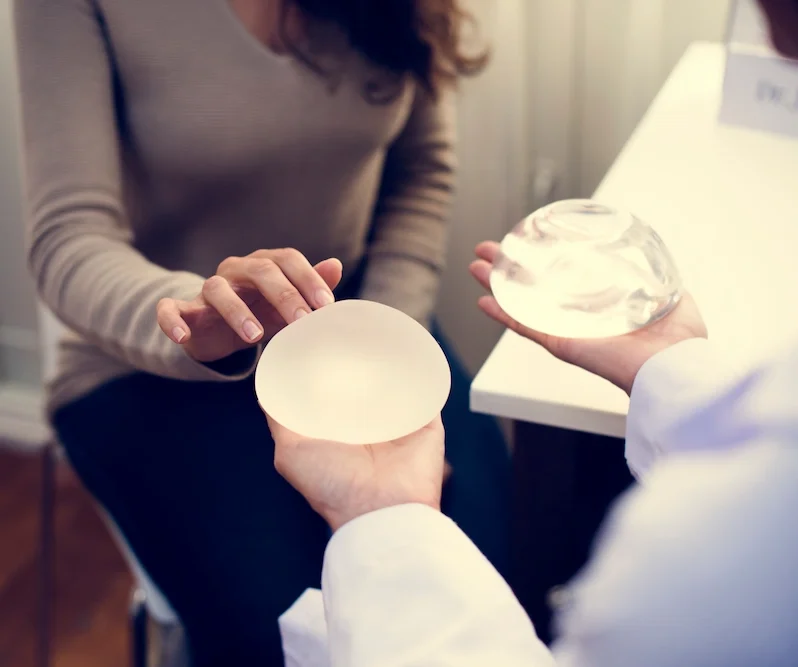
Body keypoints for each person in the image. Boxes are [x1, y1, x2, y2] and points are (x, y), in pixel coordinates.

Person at [267, 1, 798, 664]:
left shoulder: (693, 573)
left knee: (502, 526)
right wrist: (673, 365)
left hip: (371, 330)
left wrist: (384, 519)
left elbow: (423, 170)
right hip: (163, 361)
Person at [14, 0, 511, 663]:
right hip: (151, 368)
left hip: (352, 331)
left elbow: (421, 170)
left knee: (491, 561)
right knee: (292, 632)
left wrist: (386, 357)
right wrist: (190, 314)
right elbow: (67, 239)